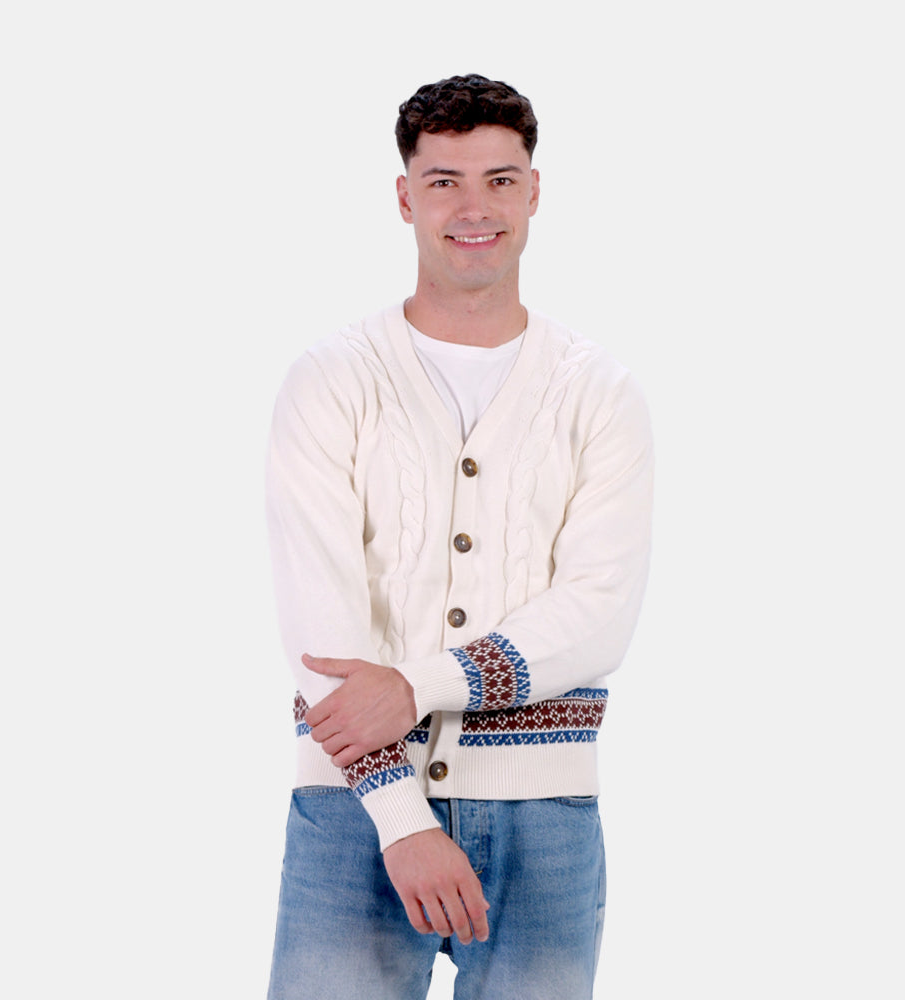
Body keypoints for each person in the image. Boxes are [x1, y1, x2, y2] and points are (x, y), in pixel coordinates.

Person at [265, 73, 653, 1000]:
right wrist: (403, 819)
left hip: (543, 812)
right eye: (444, 182)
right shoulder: (331, 379)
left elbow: (599, 613)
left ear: (534, 192)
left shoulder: (599, 391)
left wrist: (419, 686)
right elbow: (321, 624)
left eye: (499, 179)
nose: (474, 208)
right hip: (352, 809)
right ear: (405, 198)